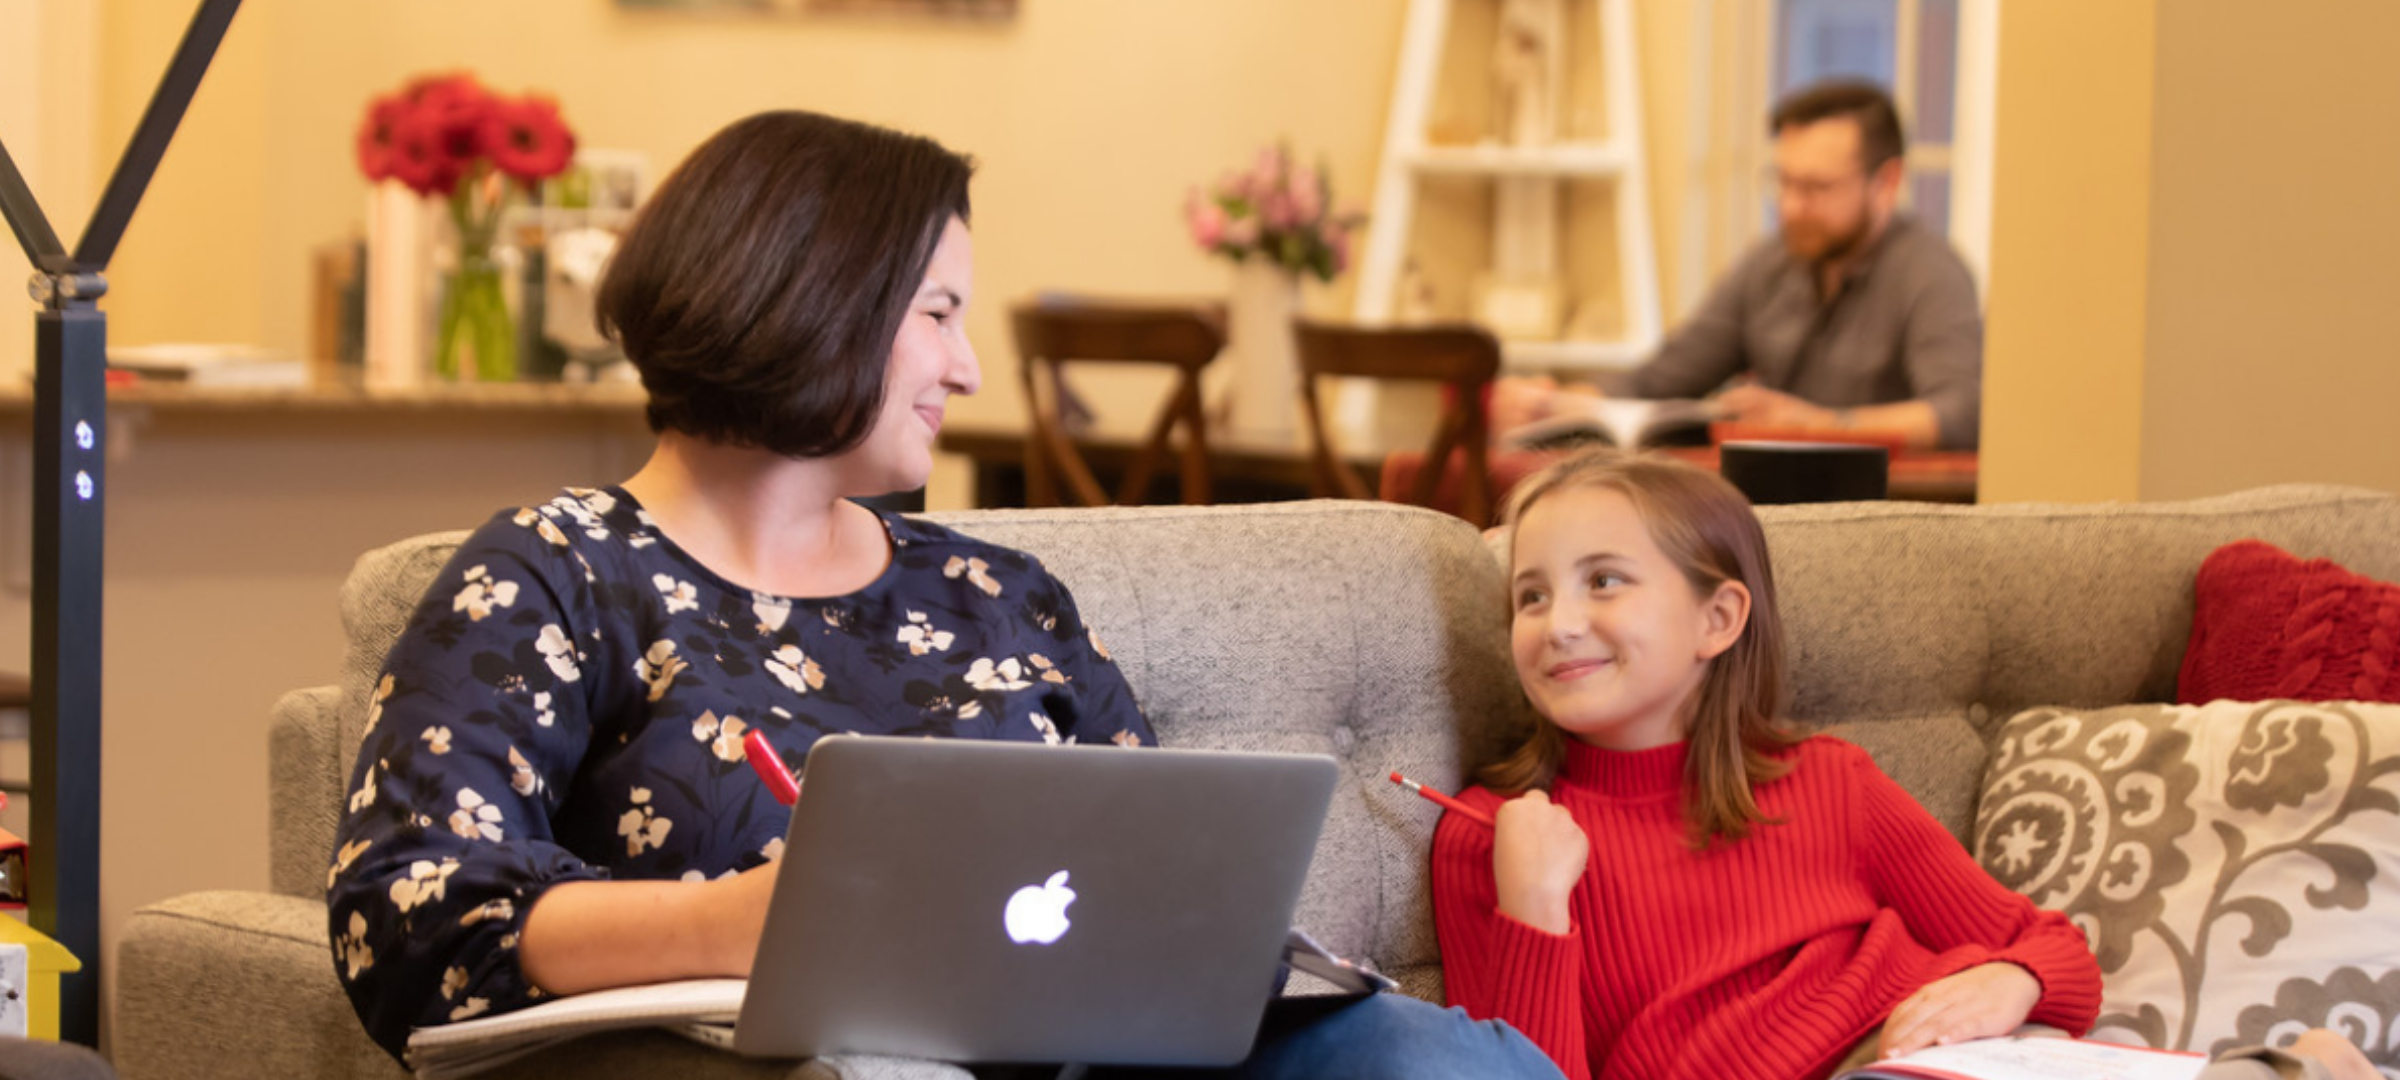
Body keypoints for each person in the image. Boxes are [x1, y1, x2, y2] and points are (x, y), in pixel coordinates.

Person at [325, 109, 1565, 1080]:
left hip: (1128, 1060)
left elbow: (1153, 860)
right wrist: (733, 926)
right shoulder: (555, 575)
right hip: (823, 1066)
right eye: (938, 313)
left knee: (1423, 1053)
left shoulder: (996, 594)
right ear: (811, 300)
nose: (967, 368)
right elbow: (407, 914)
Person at [1427, 449, 2380, 1080]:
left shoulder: (1827, 783)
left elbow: (2050, 945)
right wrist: (1536, 911)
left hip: (1942, 1055)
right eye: (1531, 596)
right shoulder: (1493, 840)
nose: (1560, 625)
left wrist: (2011, 984)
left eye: (1604, 582)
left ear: (1717, 619)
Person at [1490, 80, 1982, 451]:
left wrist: (1821, 426)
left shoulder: (1931, 272)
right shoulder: (1771, 263)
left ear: (1886, 183)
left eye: (1816, 188)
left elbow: (1960, 414)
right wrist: (1557, 402)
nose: (1790, 208)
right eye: (1783, 182)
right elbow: (1663, 377)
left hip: (1883, 516)